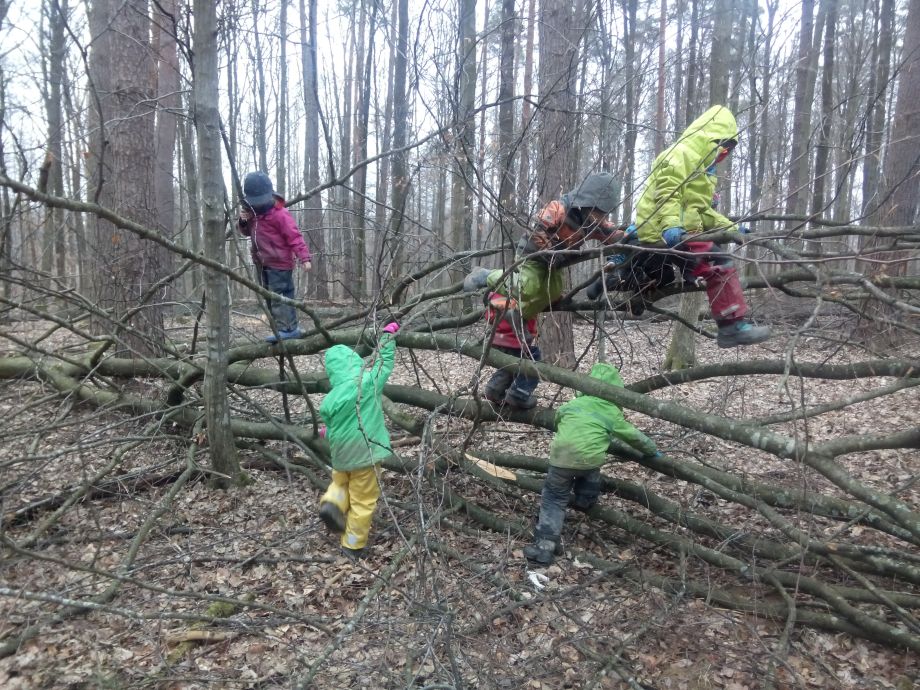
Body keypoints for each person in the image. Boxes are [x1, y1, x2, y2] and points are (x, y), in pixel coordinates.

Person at [463, 172, 625, 409]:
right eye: (597, 211)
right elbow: (538, 229)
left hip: (553, 266)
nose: (600, 217)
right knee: (526, 287)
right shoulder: (559, 208)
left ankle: (499, 391)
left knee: (552, 292)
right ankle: (486, 276)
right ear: (588, 201)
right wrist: (550, 251)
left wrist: (630, 237)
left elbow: (612, 235)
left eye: (603, 213)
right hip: (533, 257)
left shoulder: (594, 223)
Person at [630, 105, 768, 347]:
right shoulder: (681, 154)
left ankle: (723, 298)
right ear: (713, 139)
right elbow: (667, 193)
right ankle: (731, 326)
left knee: (710, 264)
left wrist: (731, 228)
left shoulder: (705, 170)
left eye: (729, 149)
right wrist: (671, 226)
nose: (725, 153)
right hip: (663, 229)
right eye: (724, 146)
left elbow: (701, 211)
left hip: (682, 230)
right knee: (718, 262)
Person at [523, 363, 660, 565]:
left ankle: (545, 545)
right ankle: (586, 497)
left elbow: (558, 418)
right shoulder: (611, 412)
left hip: (561, 458)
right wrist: (651, 450)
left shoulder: (572, 405)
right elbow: (634, 436)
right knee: (590, 468)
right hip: (589, 461)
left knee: (553, 498)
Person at [317, 322, 399, 559]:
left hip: (341, 453)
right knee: (363, 500)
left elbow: (333, 426)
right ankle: (352, 545)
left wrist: (326, 433)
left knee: (341, 483)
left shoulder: (329, 400)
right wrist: (387, 337)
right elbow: (384, 364)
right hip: (365, 452)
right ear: (355, 363)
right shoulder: (367, 382)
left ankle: (332, 504)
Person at [237, 171, 313, 344]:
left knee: (281, 296)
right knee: (270, 297)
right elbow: (246, 232)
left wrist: (304, 257)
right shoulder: (253, 214)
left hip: (280, 263)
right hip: (262, 263)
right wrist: (243, 221)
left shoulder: (280, 214)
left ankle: (288, 329)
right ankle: (281, 328)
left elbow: (295, 236)